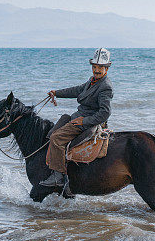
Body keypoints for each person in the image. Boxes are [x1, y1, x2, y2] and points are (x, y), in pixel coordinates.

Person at [40, 48, 114, 188]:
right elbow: (77, 90)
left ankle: (58, 176)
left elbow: (105, 113)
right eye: (94, 67)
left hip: (88, 121)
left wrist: (84, 121)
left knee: (56, 138)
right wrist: (57, 93)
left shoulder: (105, 87)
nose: (96, 70)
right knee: (53, 131)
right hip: (79, 117)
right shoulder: (92, 81)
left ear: (107, 69)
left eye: (100, 67)